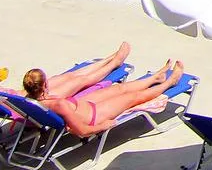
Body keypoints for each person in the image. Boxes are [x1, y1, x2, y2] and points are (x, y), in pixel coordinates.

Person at [22, 59, 184, 139]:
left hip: (84, 104)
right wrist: (104, 125)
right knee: (132, 97)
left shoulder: (29, 100)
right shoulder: (58, 104)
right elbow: (82, 131)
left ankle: (156, 77)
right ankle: (171, 82)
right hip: (94, 115)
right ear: (44, 85)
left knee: (119, 89)